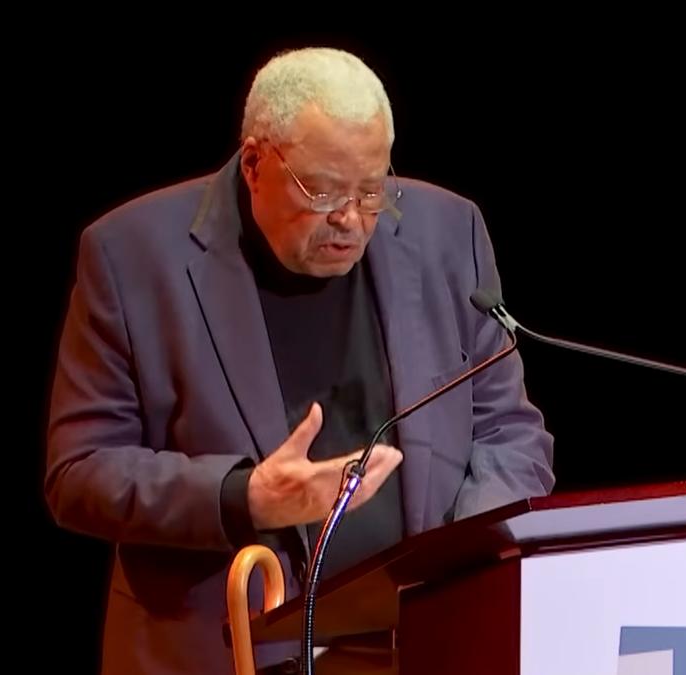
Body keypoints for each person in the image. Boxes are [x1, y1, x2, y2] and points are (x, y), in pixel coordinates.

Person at [44, 46, 555, 675]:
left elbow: (509, 432)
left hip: (420, 642)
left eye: (372, 190)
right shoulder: (131, 256)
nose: (350, 220)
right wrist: (244, 497)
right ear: (255, 162)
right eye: (322, 192)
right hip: (223, 650)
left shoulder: (448, 230)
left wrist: (458, 559)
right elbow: (80, 472)